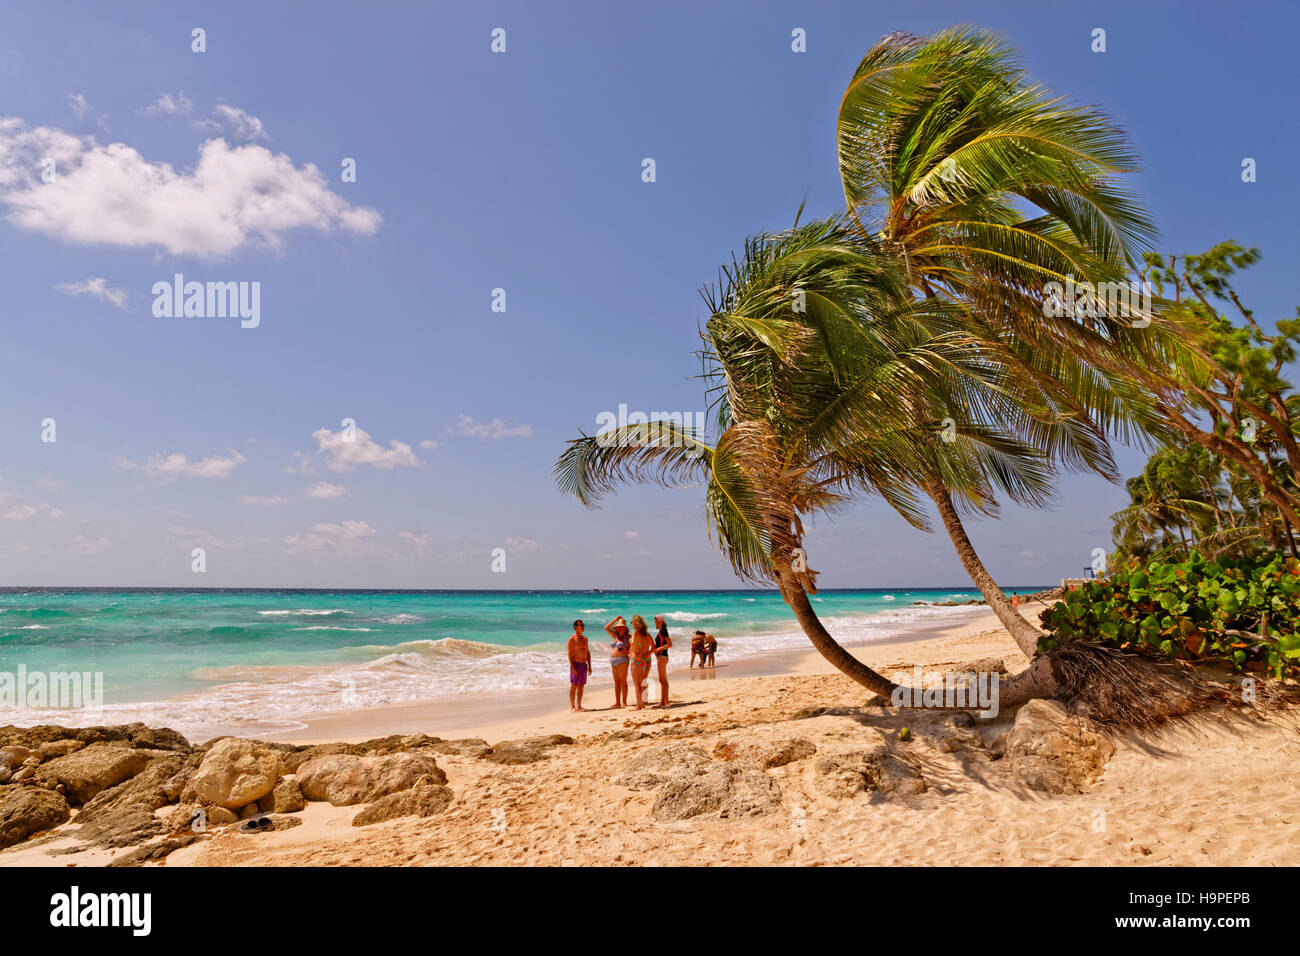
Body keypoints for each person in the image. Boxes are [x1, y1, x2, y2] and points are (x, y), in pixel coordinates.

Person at [628, 614, 655, 710]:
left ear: (635, 623)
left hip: (636, 659)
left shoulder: (635, 632)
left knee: (637, 684)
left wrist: (630, 651)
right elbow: (653, 645)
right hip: (644, 660)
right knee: (642, 682)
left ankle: (638, 706)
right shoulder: (646, 634)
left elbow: (633, 643)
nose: (631, 625)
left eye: (632, 623)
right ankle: (642, 703)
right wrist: (648, 653)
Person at [605, 615, 631, 708]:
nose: (620, 629)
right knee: (616, 682)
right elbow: (606, 628)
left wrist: (626, 651)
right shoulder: (615, 636)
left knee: (623, 681)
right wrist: (615, 619)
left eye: (622, 627)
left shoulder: (628, 637)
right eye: (618, 627)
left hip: (622, 660)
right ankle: (617, 702)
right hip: (613, 660)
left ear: (625, 628)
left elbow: (632, 649)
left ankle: (624, 701)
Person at [567, 619, 592, 712]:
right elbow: (569, 654)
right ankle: (572, 706)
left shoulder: (585, 639)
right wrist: (573, 667)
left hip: (583, 664)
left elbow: (588, 653)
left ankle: (579, 705)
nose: (583, 627)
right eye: (581, 625)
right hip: (576, 664)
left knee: (581, 686)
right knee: (574, 685)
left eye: (583, 625)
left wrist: (589, 666)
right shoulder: (572, 639)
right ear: (575, 627)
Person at [652, 614, 672, 707]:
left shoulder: (663, 631)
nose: (655, 622)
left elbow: (670, 644)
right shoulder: (661, 631)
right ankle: (666, 700)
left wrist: (658, 649)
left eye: (656, 621)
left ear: (661, 622)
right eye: (655, 621)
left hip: (662, 657)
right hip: (662, 657)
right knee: (663, 680)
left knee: (662, 680)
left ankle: (662, 701)